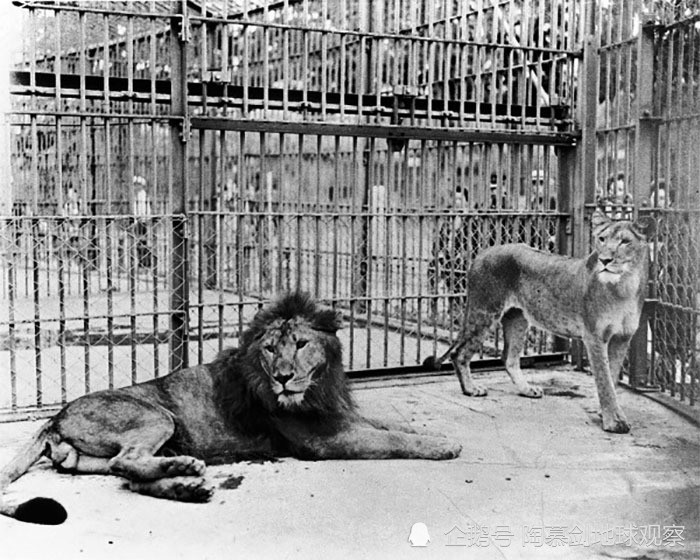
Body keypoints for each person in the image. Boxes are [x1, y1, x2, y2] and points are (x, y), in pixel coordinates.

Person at [133, 176, 153, 268]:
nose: (136, 187)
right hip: (137, 221)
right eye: (135, 184)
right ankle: (141, 261)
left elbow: (145, 209)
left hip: (141, 221)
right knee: (139, 242)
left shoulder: (142, 195)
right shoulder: (136, 195)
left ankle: (145, 262)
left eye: (138, 185)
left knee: (142, 241)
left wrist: (143, 219)